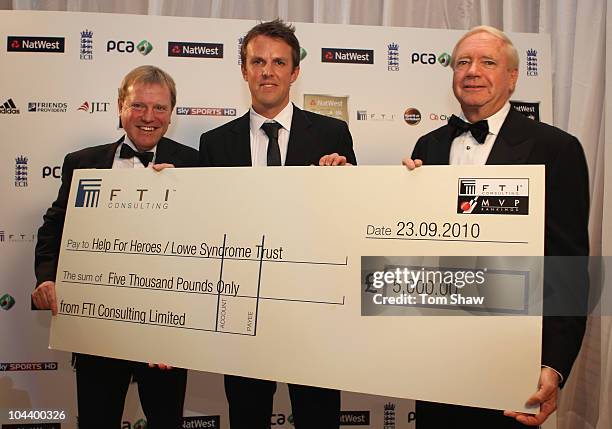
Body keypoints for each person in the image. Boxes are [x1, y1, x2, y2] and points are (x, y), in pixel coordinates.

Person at [403, 25, 589, 427]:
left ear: (512, 77)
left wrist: (553, 365)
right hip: (436, 361)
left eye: (488, 62)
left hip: (512, 360)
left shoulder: (556, 149)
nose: (473, 71)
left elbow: (570, 267)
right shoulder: (428, 147)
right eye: (463, 62)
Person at [200, 19, 356, 429]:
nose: (267, 71)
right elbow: (204, 224)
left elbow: (354, 216)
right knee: (247, 415)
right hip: (242, 305)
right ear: (244, 70)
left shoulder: (332, 133)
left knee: (318, 415)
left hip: (314, 307)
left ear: (295, 71)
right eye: (257, 62)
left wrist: (343, 181)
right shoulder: (215, 143)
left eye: (277, 62)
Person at [33, 65, 198, 429]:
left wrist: (181, 193)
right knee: (96, 420)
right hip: (98, 332)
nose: (148, 117)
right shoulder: (83, 163)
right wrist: (47, 278)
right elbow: (54, 229)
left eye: (159, 108)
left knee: (165, 421)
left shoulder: (193, 164)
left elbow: (209, 243)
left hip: (164, 335)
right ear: (120, 106)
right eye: (138, 106)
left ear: (172, 114)